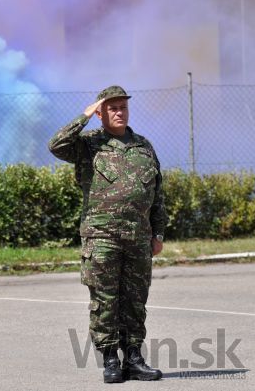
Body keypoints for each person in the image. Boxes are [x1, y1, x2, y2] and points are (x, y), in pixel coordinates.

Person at [48, 85, 167, 383]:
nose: (119, 112)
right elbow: (56, 145)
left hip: (138, 238)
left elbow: (158, 194)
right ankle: (111, 359)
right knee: (105, 299)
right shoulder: (88, 145)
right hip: (101, 237)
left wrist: (159, 234)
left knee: (136, 300)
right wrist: (86, 113)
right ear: (102, 113)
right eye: (112, 108)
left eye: (122, 107)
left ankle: (135, 359)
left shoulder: (143, 147)